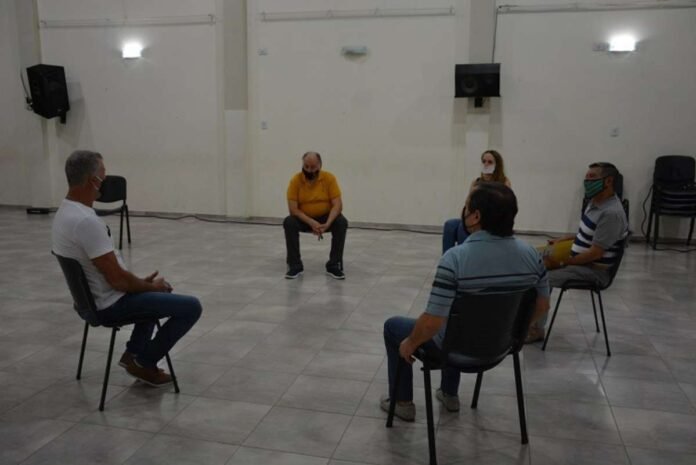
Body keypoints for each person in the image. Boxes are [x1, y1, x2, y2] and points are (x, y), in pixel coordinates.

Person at [382, 183, 550, 421]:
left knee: (394, 327)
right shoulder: (533, 256)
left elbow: (432, 323)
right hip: (501, 348)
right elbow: (542, 306)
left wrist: (410, 343)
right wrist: (509, 331)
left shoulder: (455, 259)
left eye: (467, 207)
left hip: (454, 351)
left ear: (476, 216)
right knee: (457, 325)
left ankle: (402, 403)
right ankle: (449, 394)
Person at [52, 150, 202, 386]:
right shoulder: (85, 222)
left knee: (153, 293)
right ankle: (144, 363)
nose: (106, 181)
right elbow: (119, 281)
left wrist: (143, 286)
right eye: (104, 176)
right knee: (191, 307)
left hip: (91, 302)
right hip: (109, 306)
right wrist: (148, 287)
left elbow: (112, 275)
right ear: (92, 180)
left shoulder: (65, 212)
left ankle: (133, 353)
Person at [526, 162, 628, 343]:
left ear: (608, 181)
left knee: (537, 277)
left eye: (592, 178)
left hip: (593, 270)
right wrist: (564, 239)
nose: (587, 182)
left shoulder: (611, 213)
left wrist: (561, 263)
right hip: (577, 259)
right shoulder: (594, 202)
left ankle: (534, 329)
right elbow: (589, 234)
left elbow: (595, 253)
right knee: (529, 258)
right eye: (586, 178)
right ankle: (525, 322)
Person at [283, 151, 348, 279]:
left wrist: (328, 223)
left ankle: (334, 265)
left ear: (320, 166)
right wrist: (311, 222)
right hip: (304, 218)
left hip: (325, 217)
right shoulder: (295, 181)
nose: (309, 170)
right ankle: (295, 265)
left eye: (313, 167)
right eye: (306, 166)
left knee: (341, 222)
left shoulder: (329, 178)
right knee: (289, 222)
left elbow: (338, 205)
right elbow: (293, 210)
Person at [442, 150, 512, 253]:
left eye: (490, 162)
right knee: (450, 225)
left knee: (463, 227)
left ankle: (465, 258)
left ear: (497, 165)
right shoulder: (476, 182)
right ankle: (447, 259)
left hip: (492, 222)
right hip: (474, 218)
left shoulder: (503, 183)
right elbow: (468, 205)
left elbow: (504, 208)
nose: (486, 164)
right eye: (484, 161)